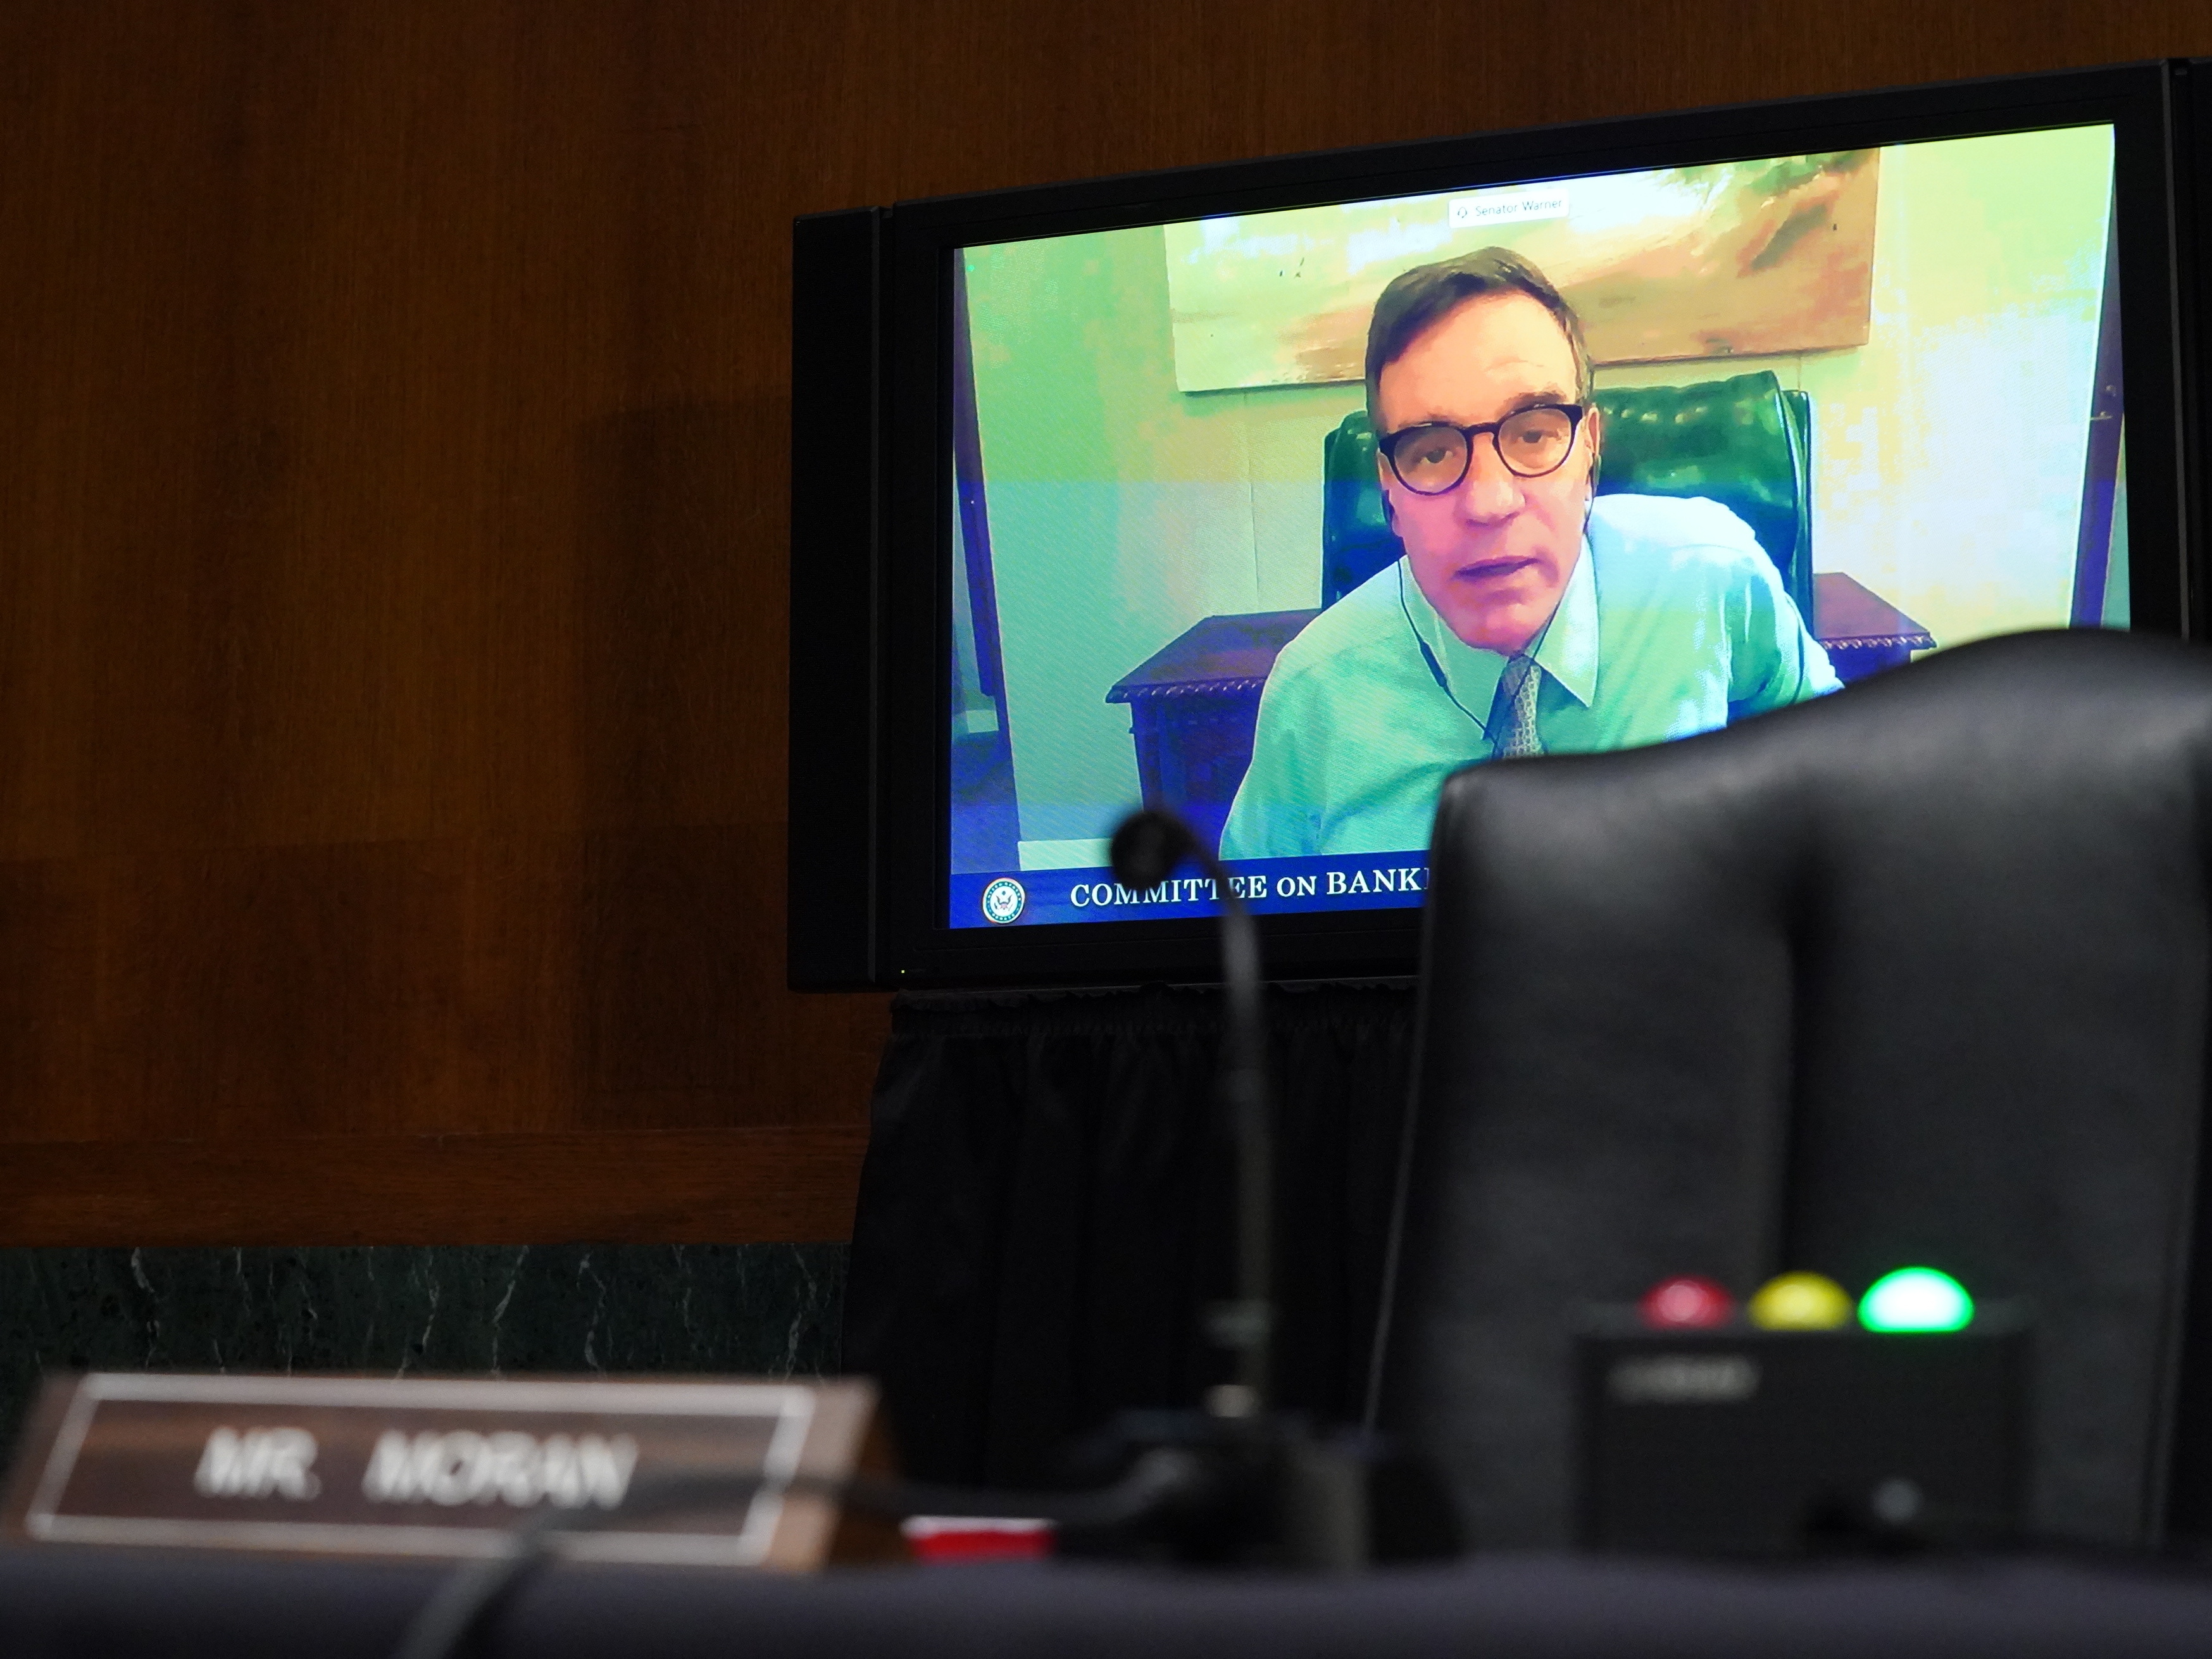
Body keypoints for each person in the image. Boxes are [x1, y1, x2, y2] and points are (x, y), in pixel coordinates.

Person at [1218, 247, 1839, 861]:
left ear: (1589, 451)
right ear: (1389, 492)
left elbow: (1835, 773)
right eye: (1432, 452)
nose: (1489, 502)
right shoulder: (1313, 694)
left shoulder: (1708, 577)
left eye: (1535, 433)